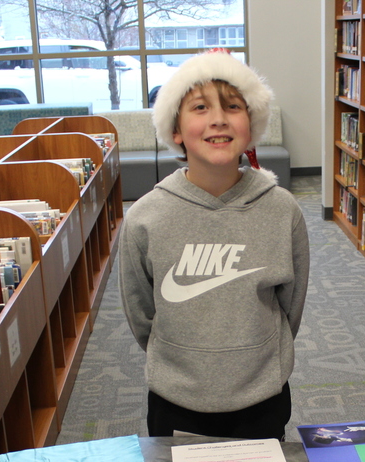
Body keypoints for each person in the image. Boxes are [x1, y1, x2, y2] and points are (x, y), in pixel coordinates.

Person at [119, 50, 309, 442]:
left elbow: (290, 306)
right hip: (176, 400)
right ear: (175, 129)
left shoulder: (281, 210)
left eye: (233, 106)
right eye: (200, 107)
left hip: (262, 399)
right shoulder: (145, 216)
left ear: (252, 123)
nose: (218, 119)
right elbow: (141, 314)